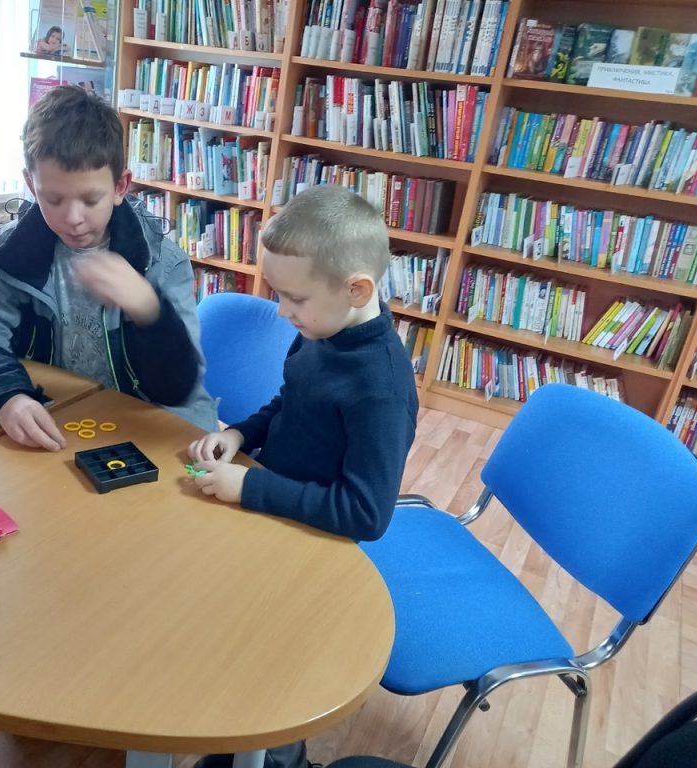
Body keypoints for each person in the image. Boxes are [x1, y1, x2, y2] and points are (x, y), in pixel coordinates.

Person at [185, 184, 418, 768]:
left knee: (270, 679)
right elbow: (289, 400)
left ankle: (276, 757)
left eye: (293, 298)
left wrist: (250, 486)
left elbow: (366, 514)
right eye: (278, 295)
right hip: (274, 514)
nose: (281, 312)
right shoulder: (323, 330)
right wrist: (242, 434)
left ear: (356, 289)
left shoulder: (380, 390)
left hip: (316, 547)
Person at [0, 85, 217, 449]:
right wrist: (8, 397)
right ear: (31, 185)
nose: (73, 218)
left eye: (90, 199)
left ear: (120, 186)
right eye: (53, 199)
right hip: (67, 424)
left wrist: (149, 311)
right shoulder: (20, 254)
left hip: (151, 432)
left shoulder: (163, 264)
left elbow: (177, 389)